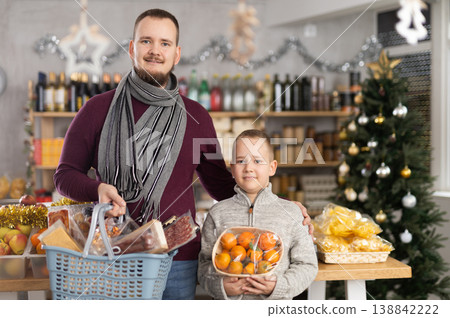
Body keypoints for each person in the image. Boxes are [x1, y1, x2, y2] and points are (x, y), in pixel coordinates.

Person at [54, 8, 312, 300]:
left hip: (179, 261)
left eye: (164, 43)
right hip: (114, 254)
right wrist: (98, 188)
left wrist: (279, 206)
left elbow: (221, 185)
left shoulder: (196, 116)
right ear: (131, 48)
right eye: (146, 41)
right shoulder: (97, 110)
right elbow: (65, 176)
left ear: (176, 54)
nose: (155, 51)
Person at [198, 129, 318, 299]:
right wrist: (220, 287)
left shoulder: (291, 213)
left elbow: (307, 265)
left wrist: (280, 286)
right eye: (241, 161)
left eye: (257, 161)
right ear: (232, 169)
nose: (248, 168)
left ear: (272, 167)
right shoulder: (217, 213)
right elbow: (204, 265)